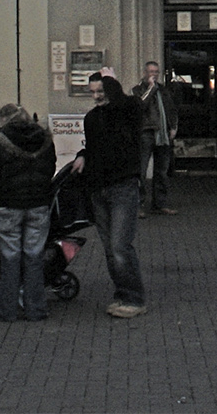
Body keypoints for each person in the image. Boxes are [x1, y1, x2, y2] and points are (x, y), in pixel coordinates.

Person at [0, 102, 58, 324]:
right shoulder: (45, 139)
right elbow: (50, 169)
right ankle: (36, 309)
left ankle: (6, 311)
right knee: (34, 258)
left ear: (2, 120)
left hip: (7, 205)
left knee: (10, 259)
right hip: (38, 205)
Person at [81, 69, 147, 318]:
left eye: (101, 91)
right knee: (110, 248)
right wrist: (82, 155)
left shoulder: (126, 111)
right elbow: (94, 148)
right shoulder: (91, 118)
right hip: (100, 188)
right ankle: (122, 294)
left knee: (120, 245)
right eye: (93, 92)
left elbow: (131, 105)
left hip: (123, 186)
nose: (97, 96)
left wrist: (111, 82)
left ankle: (134, 298)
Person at [135, 60, 182, 215]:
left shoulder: (164, 90)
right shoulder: (137, 89)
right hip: (146, 132)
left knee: (162, 170)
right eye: (151, 72)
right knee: (141, 170)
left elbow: (171, 109)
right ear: (144, 73)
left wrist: (173, 126)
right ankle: (138, 204)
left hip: (163, 133)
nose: (153, 75)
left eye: (156, 72)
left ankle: (160, 204)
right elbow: (141, 105)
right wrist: (151, 88)